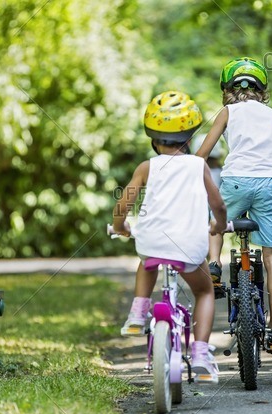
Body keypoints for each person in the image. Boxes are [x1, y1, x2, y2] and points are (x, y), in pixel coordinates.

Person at [196, 57, 272, 355]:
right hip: (269, 185)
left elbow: (201, 156)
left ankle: (214, 267)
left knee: (215, 225)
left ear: (227, 88)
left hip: (235, 182)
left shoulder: (228, 112)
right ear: (262, 89)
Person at [112, 90, 227, 383]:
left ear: (153, 138)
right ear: (190, 138)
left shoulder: (146, 167)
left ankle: (138, 312)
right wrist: (218, 224)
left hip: (150, 241)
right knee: (204, 291)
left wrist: (121, 227)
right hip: (190, 246)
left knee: (146, 259)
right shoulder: (198, 166)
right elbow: (218, 205)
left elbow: (123, 205)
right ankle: (200, 352)